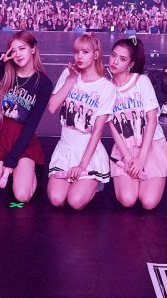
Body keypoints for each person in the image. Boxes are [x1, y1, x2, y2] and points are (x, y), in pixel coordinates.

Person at [0, 31, 53, 202]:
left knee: (21, 196)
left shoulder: (43, 83)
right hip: (1, 135)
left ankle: (31, 171)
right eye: (13, 50)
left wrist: (12, 159)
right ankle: (16, 173)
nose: (18, 54)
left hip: (24, 138)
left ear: (33, 49)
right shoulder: (1, 73)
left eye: (22, 48)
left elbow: (31, 125)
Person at [46, 33, 116, 210]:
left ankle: (94, 184)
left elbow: (97, 131)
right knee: (56, 199)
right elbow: (52, 107)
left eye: (85, 52)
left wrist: (82, 165)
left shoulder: (106, 87)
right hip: (65, 148)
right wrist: (71, 79)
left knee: (75, 202)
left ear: (96, 54)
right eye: (76, 52)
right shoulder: (68, 74)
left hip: (88, 153)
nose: (79, 56)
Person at [106, 36, 167, 210]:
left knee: (148, 203)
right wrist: (129, 158)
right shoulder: (106, 88)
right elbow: (112, 125)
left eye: (122, 59)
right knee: (128, 200)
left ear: (130, 64)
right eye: (113, 55)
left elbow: (152, 121)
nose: (115, 61)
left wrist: (141, 159)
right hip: (125, 149)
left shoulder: (141, 81)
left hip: (151, 146)